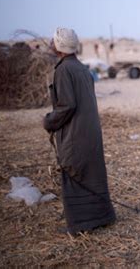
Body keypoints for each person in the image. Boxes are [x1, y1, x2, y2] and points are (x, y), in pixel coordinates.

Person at [43, 28, 116, 235]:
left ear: (58, 46)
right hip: (89, 132)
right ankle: (102, 218)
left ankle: (81, 223)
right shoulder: (82, 68)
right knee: (91, 173)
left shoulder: (64, 70)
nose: (50, 44)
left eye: (53, 41)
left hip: (75, 134)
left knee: (75, 172)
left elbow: (67, 106)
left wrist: (49, 121)